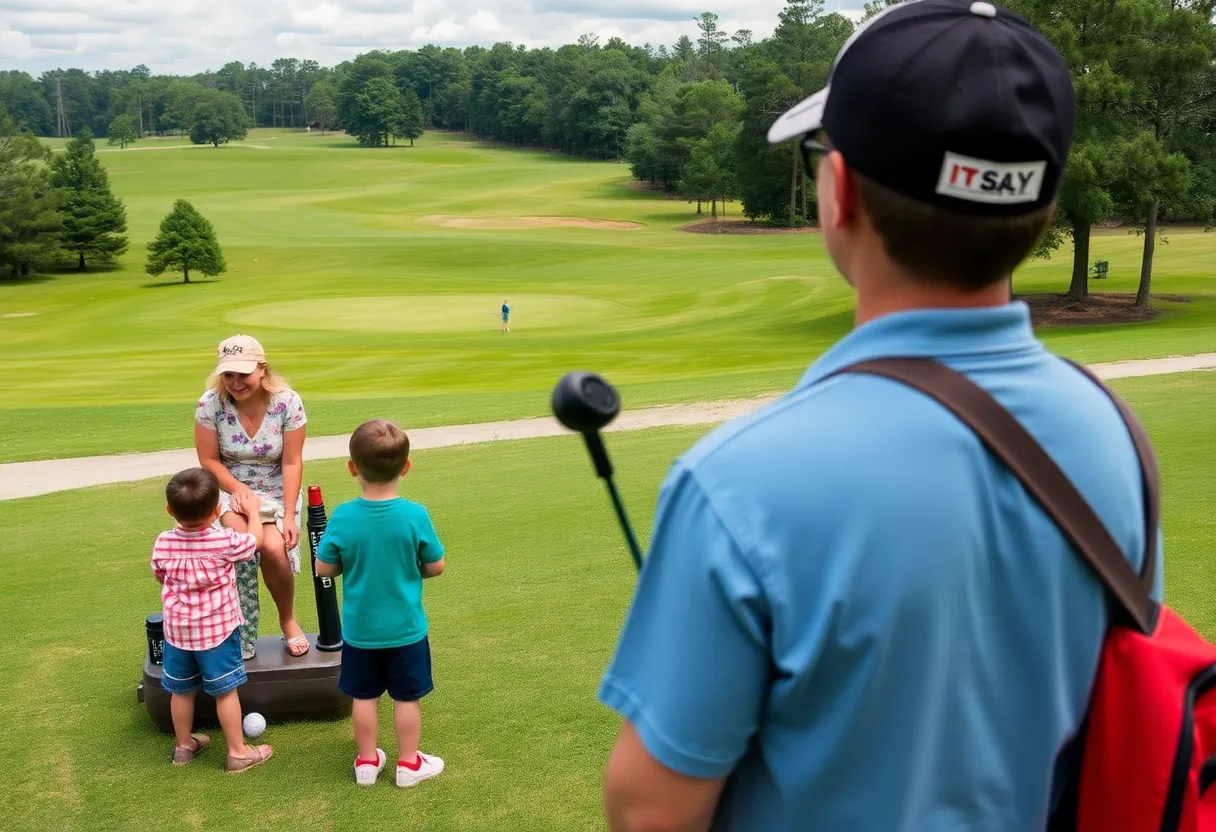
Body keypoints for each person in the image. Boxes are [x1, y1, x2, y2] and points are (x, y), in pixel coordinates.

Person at [595, 2, 1164, 830]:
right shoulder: (1115, 429)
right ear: (1037, 206)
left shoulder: (739, 479)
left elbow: (649, 812)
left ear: (843, 189)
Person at [315, 418, 447, 788]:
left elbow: (325, 566)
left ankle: (367, 762)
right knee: (407, 697)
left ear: (352, 468)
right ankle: (409, 764)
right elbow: (435, 565)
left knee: (364, 695)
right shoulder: (415, 514)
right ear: (405, 467)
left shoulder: (342, 515)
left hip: (360, 631)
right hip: (406, 628)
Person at [194, 334, 310, 661]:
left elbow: (291, 461)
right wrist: (238, 490)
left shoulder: (287, 402)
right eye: (227, 375)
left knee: (275, 547)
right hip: (229, 487)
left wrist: (288, 515)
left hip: (276, 488)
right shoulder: (209, 403)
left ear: (261, 368)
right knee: (244, 545)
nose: (235, 382)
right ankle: (241, 630)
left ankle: (287, 619)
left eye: (243, 374)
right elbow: (209, 461)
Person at [151, 467, 274, 774]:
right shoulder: (224, 540)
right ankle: (237, 752)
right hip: (217, 632)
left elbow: (159, 575)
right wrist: (254, 512)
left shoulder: (164, 541)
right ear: (217, 510)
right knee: (225, 691)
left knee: (181, 690)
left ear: (170, 510)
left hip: (178, 633)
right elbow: (255, 542)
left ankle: (184, 746)